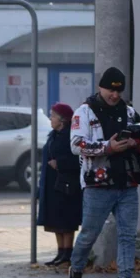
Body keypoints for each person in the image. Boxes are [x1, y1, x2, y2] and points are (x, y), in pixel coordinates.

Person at [67, 67, 140, 278]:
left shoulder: (130, 113)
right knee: (90, 233)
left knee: (128, 234)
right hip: (98, 185)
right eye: (110, 90)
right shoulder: (84, 112)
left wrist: (137, 143)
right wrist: (107, 147)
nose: (115, 95)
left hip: (128, 184)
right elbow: (76, 145)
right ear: (100, 87)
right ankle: (77, 268)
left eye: (119, 91)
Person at [37, 103, 82, 266]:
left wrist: (60, 163)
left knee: (66, 221)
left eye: (53, 116)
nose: (51, 118)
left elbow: (78, 159)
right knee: (55, 220)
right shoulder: (54, 135)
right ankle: (60, 253)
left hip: (66, 185)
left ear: (62, 120)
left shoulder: (70, 136)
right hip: (52, 184)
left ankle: (67, 253)